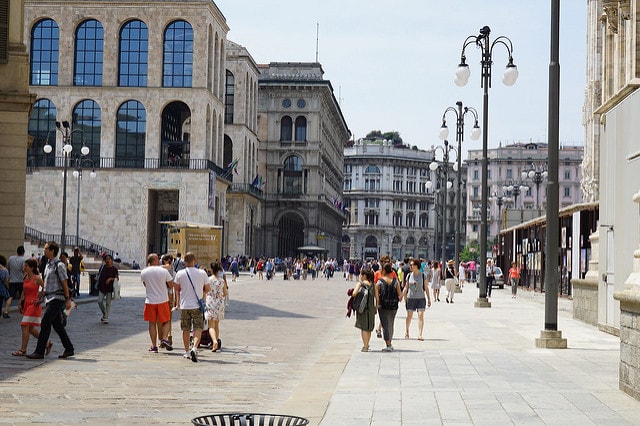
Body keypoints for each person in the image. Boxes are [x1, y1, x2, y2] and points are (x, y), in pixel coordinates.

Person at [26, 241, 75, 360]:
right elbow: (47, 285)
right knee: (57, 325)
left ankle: (39, 351)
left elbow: (64, 282)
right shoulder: (48, 265)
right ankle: (69, 348)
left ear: (52, 251)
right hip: (49, 298)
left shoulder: (59, 265)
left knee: (45, 323)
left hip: (57, 298)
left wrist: (68, 299)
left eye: (46, 248)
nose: (44, 250)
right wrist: (41, 297)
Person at [174, 252, 210, 362]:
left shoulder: (180, 273)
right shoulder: (202, 273)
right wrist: (200, 290)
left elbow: (176, 287)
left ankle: (186, 351)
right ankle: (194, 348)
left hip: (184, 305)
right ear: (195, 260)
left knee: (185, 329)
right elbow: (207, 289)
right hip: (197, 305)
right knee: (198, 328)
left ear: (184, 261)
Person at [13, 259, 51, 356]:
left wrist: (40, 298)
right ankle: (47, 343)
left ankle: (23, 349)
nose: (24, 267)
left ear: (32, 268)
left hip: (34, 304)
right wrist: (20, 301)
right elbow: (24, 290)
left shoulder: (37, 278)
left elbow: (46, 288)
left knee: (24, 324)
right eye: (24, 266)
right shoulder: (25, 276)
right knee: (31, 329)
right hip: (26, 303)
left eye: (26, 266)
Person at [140, 253, 175, 353]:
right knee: (167, 320)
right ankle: (164, 337)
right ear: (155, 260)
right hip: (163, 300)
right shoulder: (163, 271)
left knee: (152, 323)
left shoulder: (144, 272)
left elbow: (145, 284)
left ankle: (154, 346)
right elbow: (171, 284)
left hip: (150, 301)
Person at [375, 263, 402, 352]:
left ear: (383, 270)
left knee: (385, 324)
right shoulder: (396, 281)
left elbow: (377, 296)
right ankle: (389, 342)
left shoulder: (379, 281)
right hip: (394, 306)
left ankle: (388, 344)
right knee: (391, 324)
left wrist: (377, 305)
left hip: (383, 306)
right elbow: (400, 295)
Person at [404, 259, 431, 340]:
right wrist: (401, 295)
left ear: (416, 266)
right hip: (411, 298)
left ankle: (420, 334)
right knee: (409, 316)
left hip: (421, 298)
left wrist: (429, 299)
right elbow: (406, 287)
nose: (410, 266)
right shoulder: (409, 275)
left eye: (412, 265)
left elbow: (426, 288)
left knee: (420, 315)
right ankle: (407, 331)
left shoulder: (423, 276)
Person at [205, 262, 227, 352]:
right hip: (219, 302)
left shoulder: (209, 280)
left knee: (211, 326)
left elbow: (205, 290)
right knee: (217, 325)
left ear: (211, 269)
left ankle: (214, 341)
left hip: (211, 301)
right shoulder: (222, 281)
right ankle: (216, 343)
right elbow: (225, 292)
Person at [353, 268, 376, 352]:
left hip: (362, 308)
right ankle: (367, 343)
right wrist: (376, 308)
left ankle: (365, 346)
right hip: (371, 308)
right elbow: (377, 298)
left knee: (363, 327)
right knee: (369, 327)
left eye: (361, 275)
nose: (360, 276)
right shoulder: (373, 285)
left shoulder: (360, 284)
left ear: (364, 276)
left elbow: (354, 293)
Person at [3, 245, 28, 318]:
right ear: (23, 252)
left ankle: (6, 311)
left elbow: (8, 268)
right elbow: (24, 270)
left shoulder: (11, 258)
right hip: (21, 281)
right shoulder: (24, 260)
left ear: (17, 252)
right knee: (23, 297)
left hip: (12, 281)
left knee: (10, 297)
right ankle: (25, 311)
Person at [97, 254, 119, 324]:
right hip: (101, 286)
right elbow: (99, 274)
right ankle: (105, 314)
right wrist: (97, 278)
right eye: (106, 259)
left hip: (109, 288)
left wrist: (110, 278)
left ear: (111, 260)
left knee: (108, 303)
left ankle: (106, 317)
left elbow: (117, 278)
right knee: (99, 301)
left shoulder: (114, 269)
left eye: (109, 259)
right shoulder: (102, 267)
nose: (108, 260)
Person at [161, 253, 177, 345]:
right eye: (167, 260)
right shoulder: (161, 270)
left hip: (169, 296)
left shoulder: (172, 273)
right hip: (163, 296)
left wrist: (176, 300)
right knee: (164, 318)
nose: (168, 263)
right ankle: (164, 337)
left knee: (168, 318)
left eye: (170, 261)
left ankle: (168, 336)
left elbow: (174, 287)